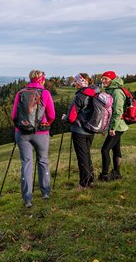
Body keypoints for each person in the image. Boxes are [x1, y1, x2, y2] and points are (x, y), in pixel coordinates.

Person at [11, 70, 55, 208]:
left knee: (26, 163)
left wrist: (20, 127)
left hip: (22, 133)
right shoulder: (46, 93)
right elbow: (52, 114)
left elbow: (14, 115)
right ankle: (45, 192)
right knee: (43, 160)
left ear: (30, 79)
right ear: (42, 80)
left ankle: (27, 198)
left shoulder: (20, 93)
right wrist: (46, 124)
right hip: (41, 133)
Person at [62, 73, 98, 190]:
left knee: (82, 156)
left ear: (81, 82)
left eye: (76, 81)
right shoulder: (95, 93)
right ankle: (90, 180)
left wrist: (64, 118)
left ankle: (83, 184)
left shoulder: (80, 96)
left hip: (79, 130)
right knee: (87, 154)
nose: (74, 83)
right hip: (91, 129)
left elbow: (72, 117)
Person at [99, 70, 128, 181]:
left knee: (105, 150)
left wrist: (112, 128)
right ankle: (117, 174)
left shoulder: (116, 92)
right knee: (116, 150)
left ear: (112, 79)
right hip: (114, 126)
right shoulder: (110, 90)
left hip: (118, 127)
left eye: (106, 79)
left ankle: (104, 175)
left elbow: (118, 112)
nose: (103, 81)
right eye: (102, 79)